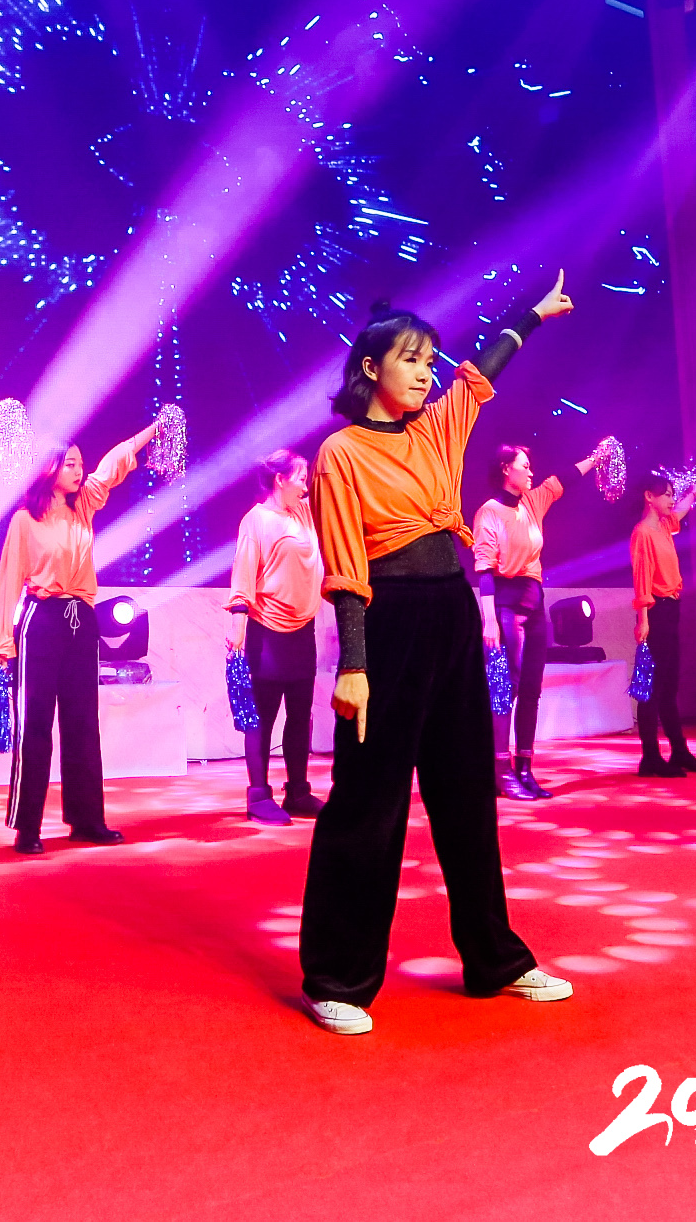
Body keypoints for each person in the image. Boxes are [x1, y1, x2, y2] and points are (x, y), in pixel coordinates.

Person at [298, 279, 579, 1036]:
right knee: (368, 804)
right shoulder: (339, 453)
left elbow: (482, 370)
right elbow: (346, 569)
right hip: (386, 624)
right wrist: (354, 665)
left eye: (429, 360)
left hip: (450, 612)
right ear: (370, 369)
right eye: (410, 360)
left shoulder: (437, 429)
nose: (427, 373)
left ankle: (495, 960)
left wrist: (532, 316)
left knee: (466, 795)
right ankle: (336, 977)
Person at [0, 416, 164, 855]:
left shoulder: (84, 506)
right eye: (69, 464)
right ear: (48, 468)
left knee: (84, 723)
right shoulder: (24, 521)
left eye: (79, 464)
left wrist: (151, 431)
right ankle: (27, 826)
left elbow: (114, 464)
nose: (78, 470)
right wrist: (3, 642)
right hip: (41, 620)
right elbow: (9, 581)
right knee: (34, 724)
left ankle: (87, 820)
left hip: (81, 620)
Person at [473, 439, 615, 799]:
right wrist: (489, 620)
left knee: (532, 690)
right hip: (505, 607)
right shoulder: (489, 511)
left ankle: (525, 767)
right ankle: (500, 770)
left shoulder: (533, 501)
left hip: (534, 604)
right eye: (524, 466)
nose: (531, 472)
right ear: (506, 469)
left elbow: (563, 478)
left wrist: (596, 458)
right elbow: (485, 570)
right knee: (507, 688)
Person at [225, 449, 327, 825]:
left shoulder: (303, 513)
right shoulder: (256, 520)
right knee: (263, 716)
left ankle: (297, 791)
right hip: (267, 631)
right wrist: (238, 623)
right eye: (300, 477)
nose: (305, 484)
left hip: (303, 629)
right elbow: (244, 572)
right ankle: (258, 795)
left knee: (300, 713)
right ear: (280, 480)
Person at [629, 469, 696, 777]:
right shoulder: (643, 532)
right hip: (656, 612)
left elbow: (681, 511)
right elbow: (641, 580)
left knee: (669, 686)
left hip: (671, 609)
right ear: (648, 497)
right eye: (666, 494)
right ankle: (650, 757)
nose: (671, 499)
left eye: (672, 494)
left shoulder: (664, 526)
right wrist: (643, 620)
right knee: (653, 687)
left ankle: (679, 751)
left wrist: (693, 493)